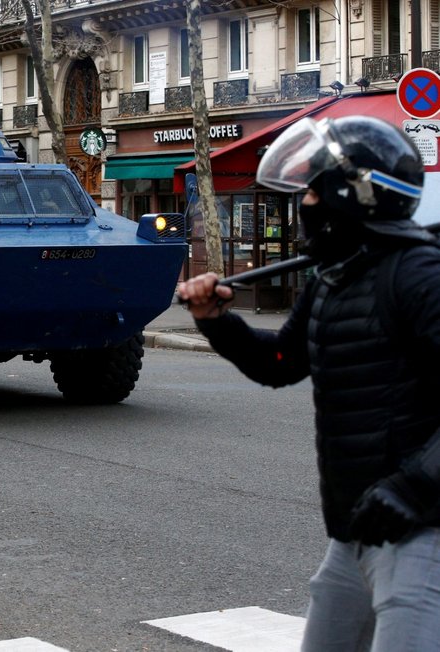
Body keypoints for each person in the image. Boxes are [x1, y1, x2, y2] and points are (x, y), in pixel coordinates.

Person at [176, 115, 440, 651]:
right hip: (355, 529)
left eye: (315, 192)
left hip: (421, 531)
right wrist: (214, 320)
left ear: (355, 195)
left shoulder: (419, 276)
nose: (306, 205)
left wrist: (414, 489)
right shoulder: (333, 280)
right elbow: (278, 361)